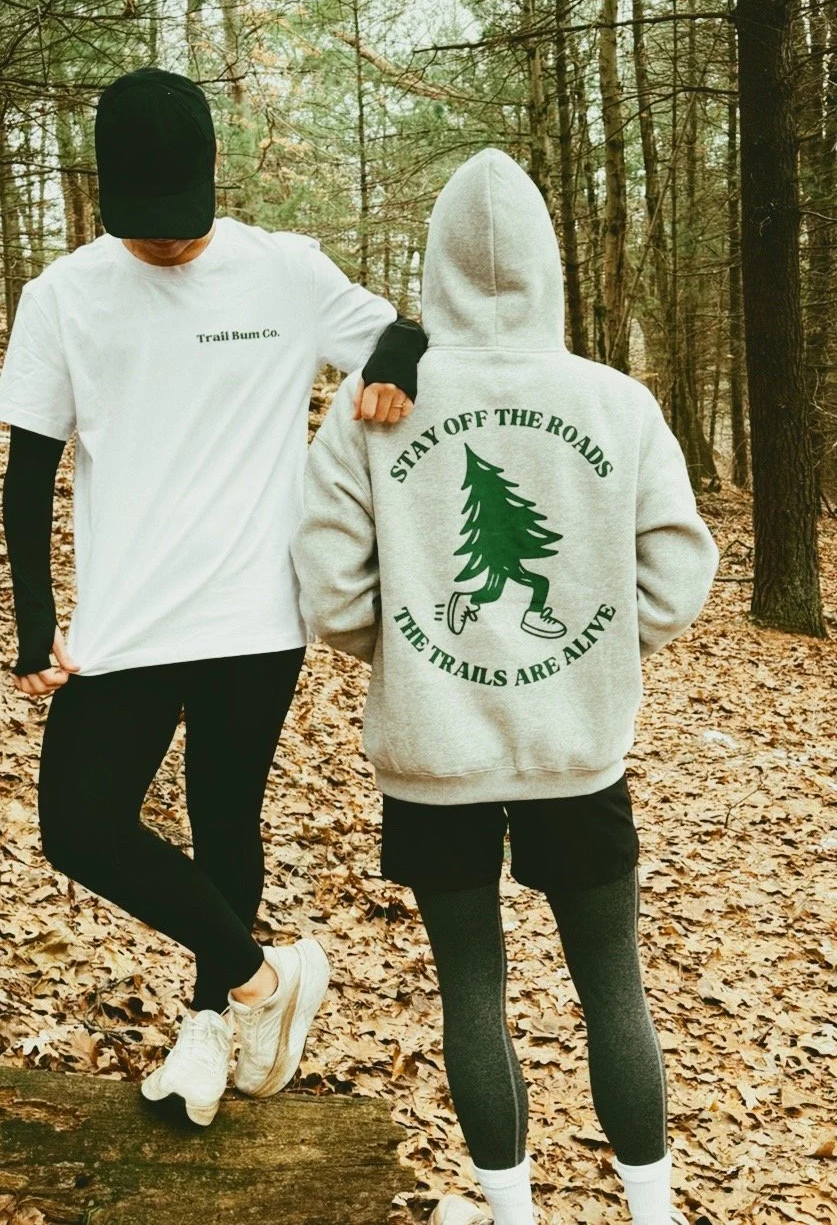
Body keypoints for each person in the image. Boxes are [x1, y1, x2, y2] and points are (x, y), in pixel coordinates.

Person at [0, 68, 427, 1128]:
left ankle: (209, 1030)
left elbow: (402, 329)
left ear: (213, 176)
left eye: (184, 224)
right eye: (150, 228)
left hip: (255, 613)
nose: (172, 246)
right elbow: (26, 471)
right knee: (78, 826)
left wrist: (395, 369)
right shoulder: (63, 296)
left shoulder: (284, 271)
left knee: (226, 819)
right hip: (128, 620)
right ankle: (264, 979)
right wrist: (37, 621)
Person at [291, 148, 718, 1225]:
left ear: (432, 267)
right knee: (612, 987)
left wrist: (400, 651)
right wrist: (601, 651)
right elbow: (679, 570)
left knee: (471, 990)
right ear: (549, 267)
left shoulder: (376, 404)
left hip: (435, 754)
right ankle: (655, 1213)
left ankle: (510, 1212)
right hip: (579, 750)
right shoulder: (613, 401)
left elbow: (332, 589)